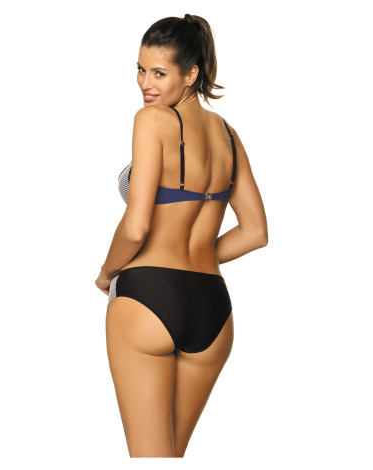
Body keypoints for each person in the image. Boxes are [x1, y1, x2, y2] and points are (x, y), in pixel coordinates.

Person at [95, 13, 268, 458]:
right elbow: (255, 232)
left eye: (159, 73)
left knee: (150, 460)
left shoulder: (151, 120)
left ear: (191, 73)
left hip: (148, 298)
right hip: (213, 309)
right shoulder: (229, 135)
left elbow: (135, 226)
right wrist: (199, 253)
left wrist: (107, 272)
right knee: (170, 457)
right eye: (140, 69)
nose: (144, 84)